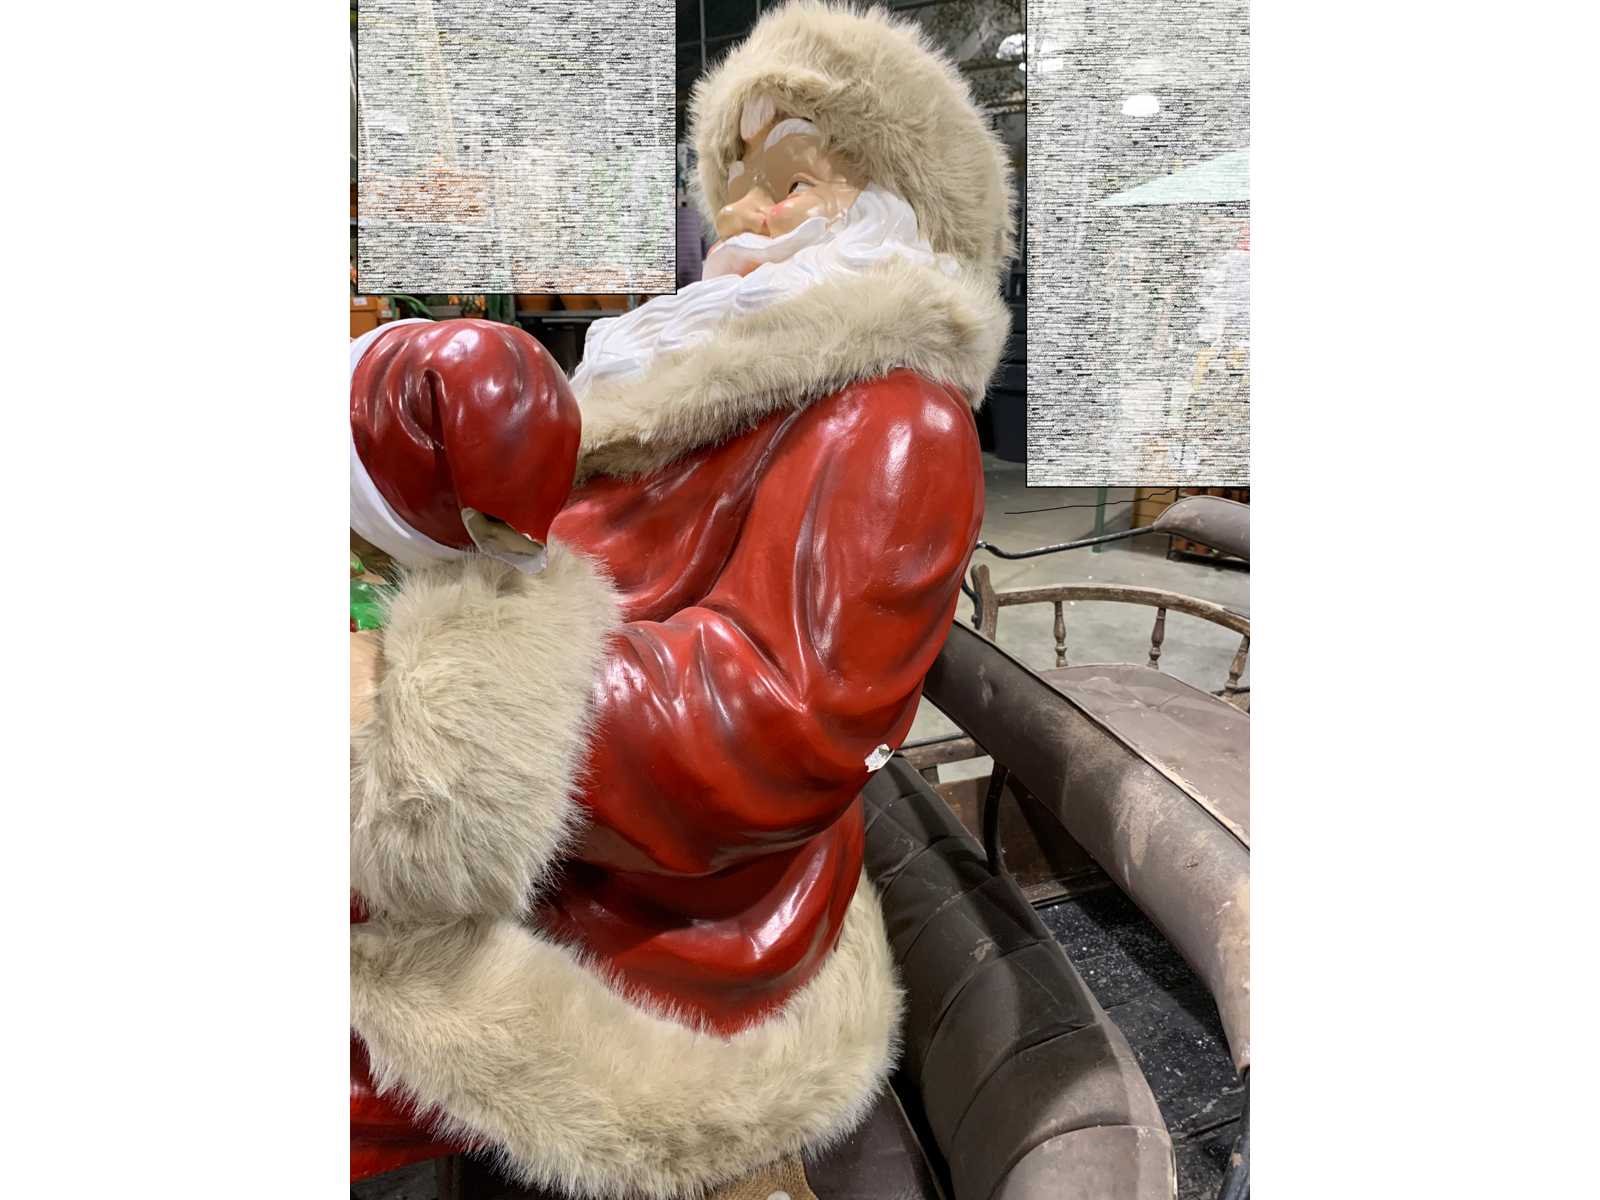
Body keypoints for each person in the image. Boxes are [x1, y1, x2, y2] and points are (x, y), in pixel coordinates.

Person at [349, 2, 1015, 1194]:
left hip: (681, 921)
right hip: (578, 847)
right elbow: (539, 547)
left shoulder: (893, 419)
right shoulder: (675, 383)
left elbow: (775, 725)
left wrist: (419, 702)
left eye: (792, 181)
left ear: (898, 200)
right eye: (735, 182)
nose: (747, 214)